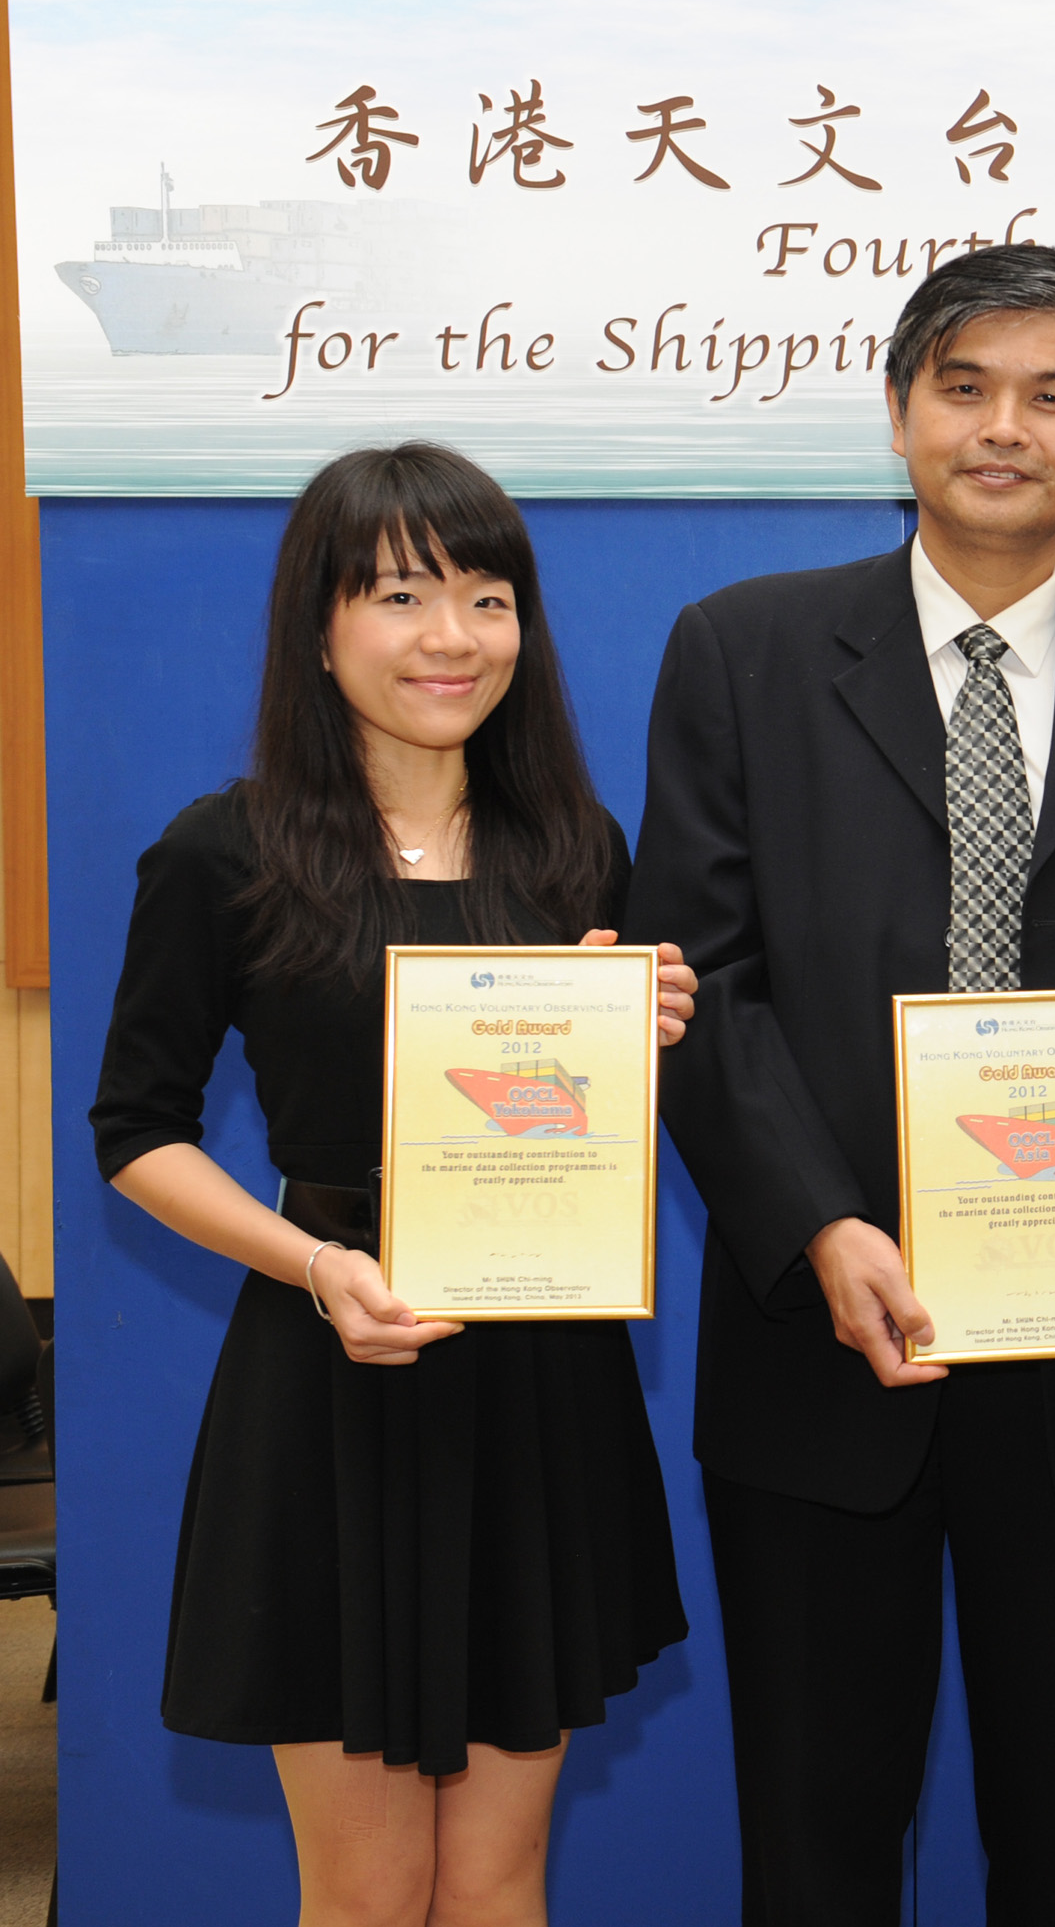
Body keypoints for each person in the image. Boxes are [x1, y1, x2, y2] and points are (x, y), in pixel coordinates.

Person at [625, 243, 1055, 1927]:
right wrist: (818, 1225)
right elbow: (701, 987)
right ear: (903, 412)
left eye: (1051, 395)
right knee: (814, 1841)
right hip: (814, 1342)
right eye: (967, 387)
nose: (1007, 428)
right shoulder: (744, 652)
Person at [90, 443, 694, 1926]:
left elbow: (566, 1133)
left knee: (497, 1877)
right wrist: (310, 1263)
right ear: (321, 623)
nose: (453, 637)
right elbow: (137, 1130)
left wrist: (633, 1032)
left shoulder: (575, 852)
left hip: (538, 1393)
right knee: (364, 1889)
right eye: (405, 594)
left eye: (488, 599)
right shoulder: (222, 850)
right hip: (332, 1374)